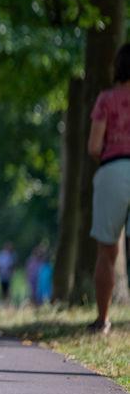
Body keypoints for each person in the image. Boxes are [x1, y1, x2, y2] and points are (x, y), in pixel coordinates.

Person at [86, 42, 130, 334]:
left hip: (112, 169)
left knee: (107, 251)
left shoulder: (106, 99)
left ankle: (103, 320)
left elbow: (93, 146)